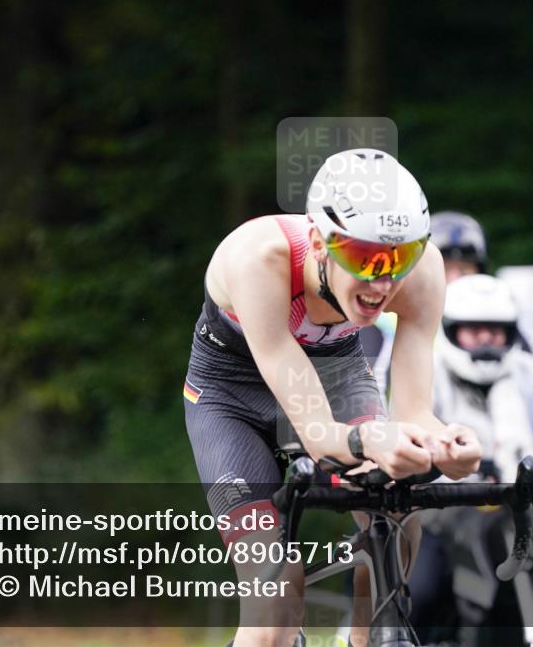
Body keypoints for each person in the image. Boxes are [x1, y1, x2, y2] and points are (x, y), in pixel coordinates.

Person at [183, 148, 483, 647]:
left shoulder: (425, 270)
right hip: (230, 395)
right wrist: (376, 440)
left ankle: (362, 638)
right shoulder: (259, 258)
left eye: (399, 258)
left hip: (335, 371)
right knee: (275, 598)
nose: (382, 282)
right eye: (365, 259)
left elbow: (413, 413)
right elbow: (322, 436)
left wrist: (447, 444)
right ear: (320, 242)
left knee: (398, 525)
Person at [408, 274, 533, 644]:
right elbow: (409, 437)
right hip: (442, 519)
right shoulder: (427, 372)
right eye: (475, 330)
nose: (486, 339)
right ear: (453, 331)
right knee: (417, 595)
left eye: (495, 330)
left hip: (528, 515)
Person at [360, 211, 490, 400]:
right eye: (445, 267)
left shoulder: (496, 320)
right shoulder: (380, 319)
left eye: (464, 269)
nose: (454, 279)